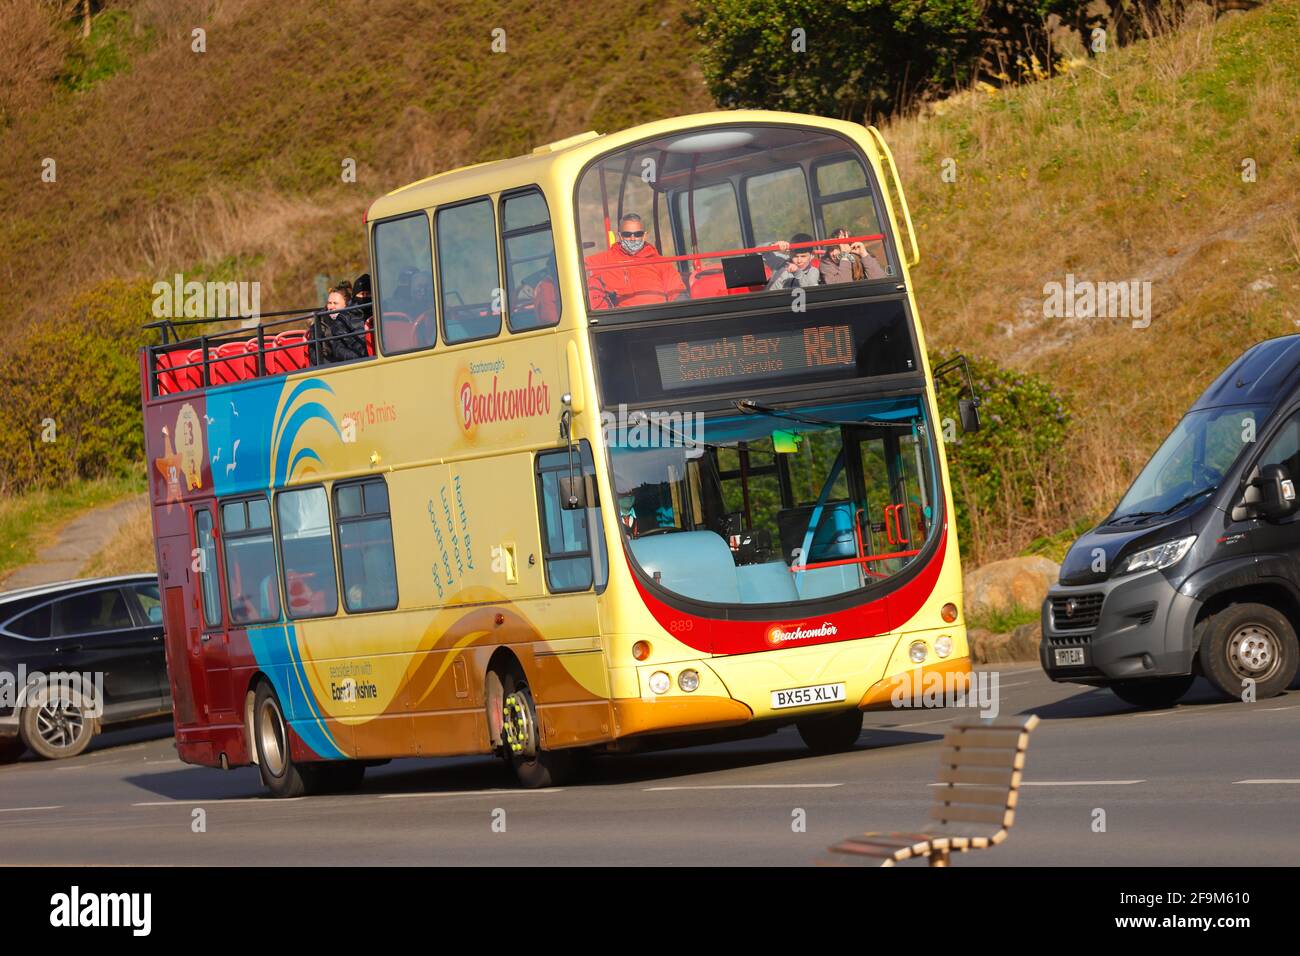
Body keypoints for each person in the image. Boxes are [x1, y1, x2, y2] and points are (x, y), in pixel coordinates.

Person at [585, 213, 686, 310]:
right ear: (620, 236)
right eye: (627, 234)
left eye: (638, 234)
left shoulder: (661, 263)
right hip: (625, 321)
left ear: (644, 235)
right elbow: (576, 268)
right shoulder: (605, 260)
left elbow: (678, 296)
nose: (633, 238)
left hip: (659, 318)